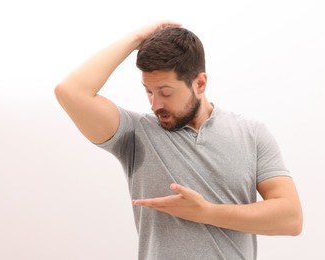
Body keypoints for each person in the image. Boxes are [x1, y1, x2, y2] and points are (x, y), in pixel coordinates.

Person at [54, 20, 303, 260]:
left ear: (200, 83)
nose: (155, 104)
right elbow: (70, 91)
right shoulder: (135, 133)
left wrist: (206, 212)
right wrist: (136, 39)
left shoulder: (251, 133)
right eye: (148, 91)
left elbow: (290, 219)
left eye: (165, 92)